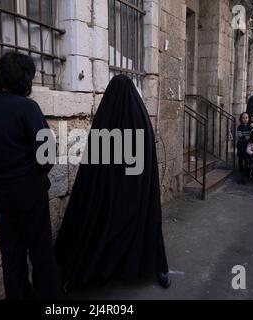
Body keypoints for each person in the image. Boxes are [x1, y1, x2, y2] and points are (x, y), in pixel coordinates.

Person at [54, 75, 171, 292]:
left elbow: (97, 161)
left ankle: (95, 269)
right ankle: (152, 267)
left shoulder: (106, 117)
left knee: (100, 224)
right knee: (141, 224)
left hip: (110, 191)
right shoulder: (141, 116)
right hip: (137, 190)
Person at [0, 52, 59, 300]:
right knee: (40, 253)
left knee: (11, 255)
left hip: (2, 191)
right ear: (25, 80)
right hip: (30, 189)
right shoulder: (28, 108)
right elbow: (47, 156)